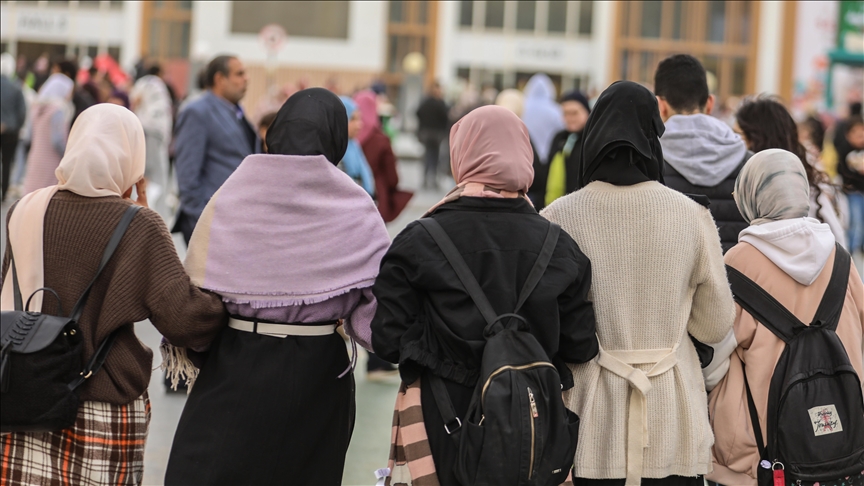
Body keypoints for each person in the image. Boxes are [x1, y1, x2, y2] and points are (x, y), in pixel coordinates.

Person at [164, 88, 391, 486]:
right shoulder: (355, 206)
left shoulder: (234, 194)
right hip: (320, 372)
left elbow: (199, 291)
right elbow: (374, 318)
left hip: (237, 361)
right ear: (337, 137)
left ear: (277, 131)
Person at [0, 104, 226, 486]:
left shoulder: (25, 208)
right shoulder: (141, 226)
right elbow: (186, 320)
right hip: (103, 406)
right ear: (132, 157)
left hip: (22, 398)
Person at [371, 105, 599, 485]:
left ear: (463, 154)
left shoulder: (420, 239)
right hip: (533, 417)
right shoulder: (559, 246)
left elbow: (388, 340)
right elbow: (579, 346)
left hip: (444, 415)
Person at [541, 81, 735, 486]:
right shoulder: (692, 216)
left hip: (590, 420)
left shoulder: (558, 216)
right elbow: (715, 325)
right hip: (674, 416)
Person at [706, 149, 864, 486]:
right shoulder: (839, 257)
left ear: (750, 195)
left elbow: (714, 356)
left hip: (760, 450)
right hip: (843, 441)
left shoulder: (738, 262)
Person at [655, 54, 750, 253]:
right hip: (736, 278)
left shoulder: (647, 161)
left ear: (660, 105)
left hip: (673, 281)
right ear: (710, 102)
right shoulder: (750, 162)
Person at [735, 96, 848, 247]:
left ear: (757, 137)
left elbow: (836, 240)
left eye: (739, 135)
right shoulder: (739, 179)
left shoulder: (800, 183)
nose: (734, 141)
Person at [172, 54, 257, 245]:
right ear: (220, 79)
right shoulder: (197, 112)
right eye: (239, 74)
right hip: (210, 223)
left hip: (233, 221)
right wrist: (204, 222)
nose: (246, 79)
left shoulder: (235, 112)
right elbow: (187, 176)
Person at [355, 89, 413, 223]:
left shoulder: (348, 138)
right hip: (376, 197)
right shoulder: (380, 139)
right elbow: (392, 177)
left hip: (348, 198)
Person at [531, 90, 591, 211]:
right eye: (565, 113)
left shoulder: (591, 140)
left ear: (587, 112)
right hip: (554, 207)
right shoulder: (559, 137)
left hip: (580, 209)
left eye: (574, 113)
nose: (570, 118)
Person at [131, 62, 174, 218]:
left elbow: (135, 101)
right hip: (155, 134)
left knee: (147, 177)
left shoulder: (143, 85)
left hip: (145, 132)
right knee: (156, 179)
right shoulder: (158, 86)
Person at [21, 73, 73, 196]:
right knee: (47, 196)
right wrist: (67, 155)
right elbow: (57, 139)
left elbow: (28, 135)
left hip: (36, 157)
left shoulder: (36, 107)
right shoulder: (58, 110)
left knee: (33, 195)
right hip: (52, 160)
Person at [834, 113, 864, 254]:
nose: (861, 138)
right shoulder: (844, 151)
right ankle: (850, 250)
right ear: (848, 135)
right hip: (853, 193)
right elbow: (841, 171)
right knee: (855, 222)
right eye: (857, 134)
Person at [522, 73, 564, 165]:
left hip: (526, 157)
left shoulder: (523, 107)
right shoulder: (555, 110)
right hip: (549, 157)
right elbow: (562, 128)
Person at [338, 95, 376, 196]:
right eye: (353, 119)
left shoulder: (354, 145)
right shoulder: (336, 151)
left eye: (359, 119)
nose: (359, 124)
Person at [1, 52, 26, 201]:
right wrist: (16, 126)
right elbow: (22, 112)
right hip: (10, 131)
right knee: (7, 162)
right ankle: (3, 192)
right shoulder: (16, 88)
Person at [416, 81, 450, 189]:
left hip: (429, 132)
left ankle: (428, 178)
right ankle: (431, 179)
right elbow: (446, 116)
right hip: (435, 133)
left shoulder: (426, 101)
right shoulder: (440, 103)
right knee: (433, 156)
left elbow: (418, 113)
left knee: (430, 156)